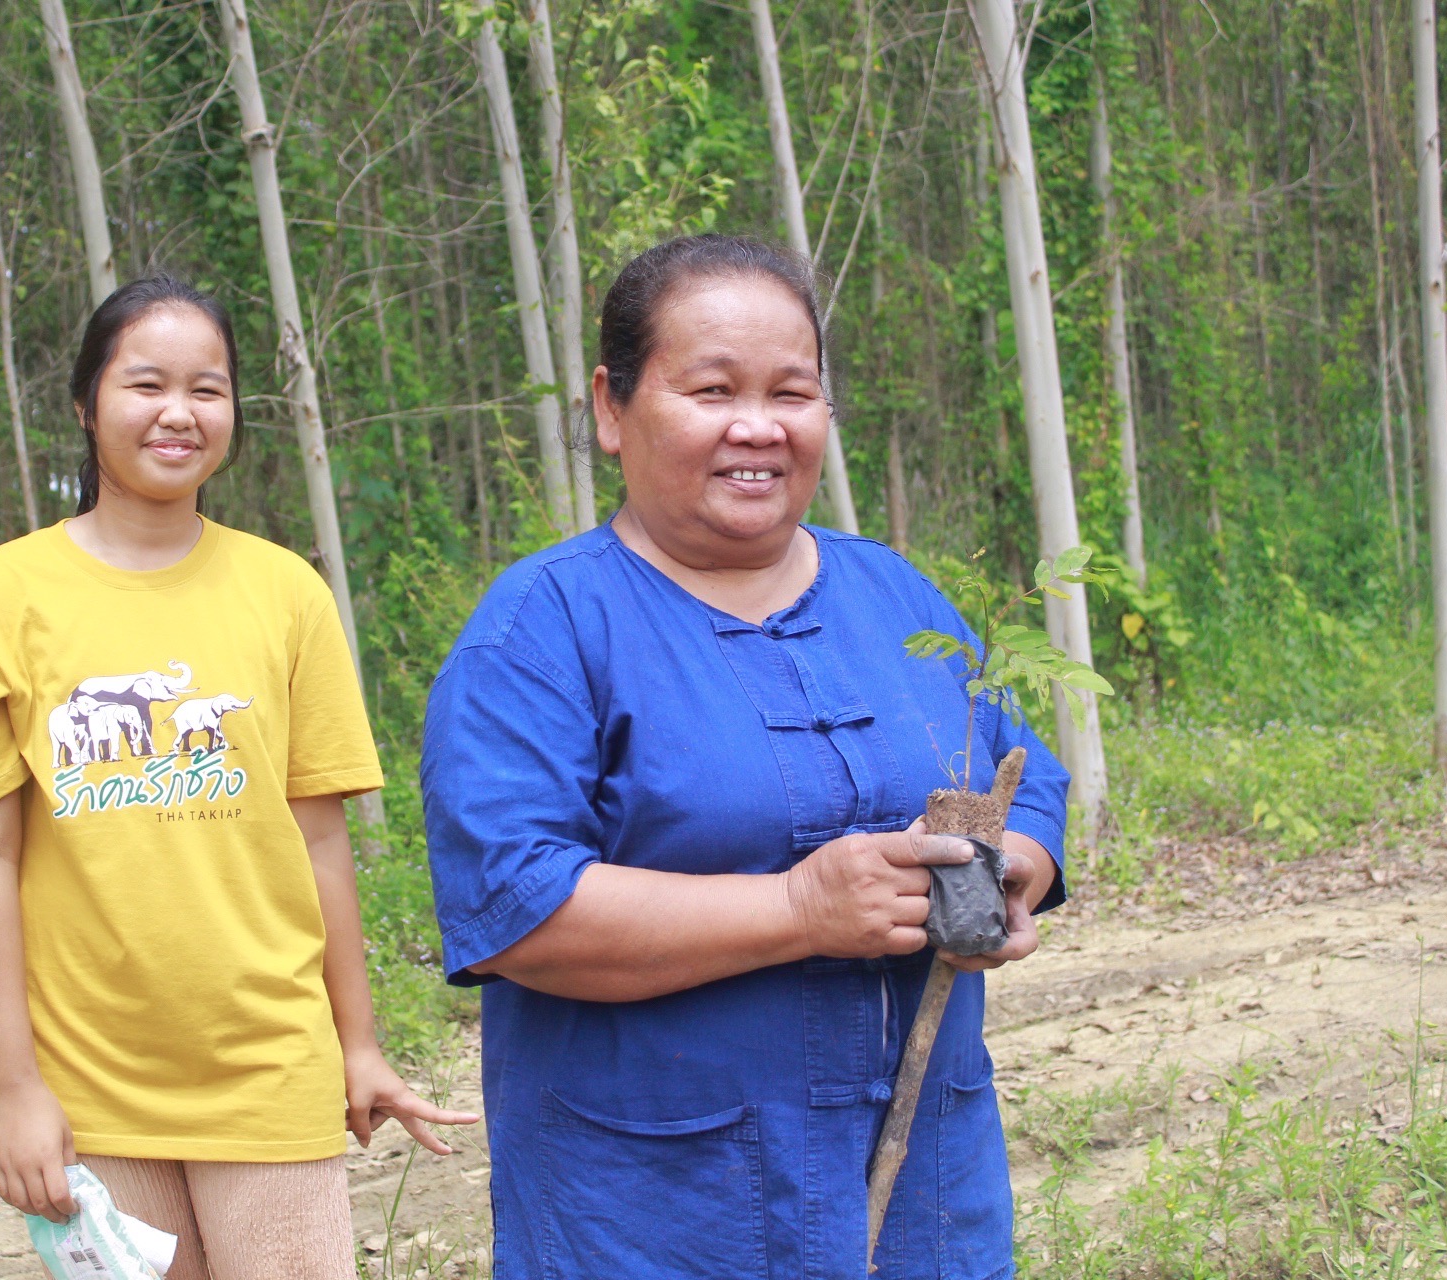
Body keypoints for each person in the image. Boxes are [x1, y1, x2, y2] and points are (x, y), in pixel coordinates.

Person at [421, 235, 1068, 1280]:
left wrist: (1018, 865)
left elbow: (1019, 772)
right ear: (610, 407)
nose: (758, 426)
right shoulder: (542, 633)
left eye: (793, 391)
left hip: (921, 1203)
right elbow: (517, 910)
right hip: (653, 1212)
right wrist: (798, 912)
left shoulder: (900, 601)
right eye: (712, 389)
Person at [0, 274, 475, 1280]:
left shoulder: (285, 593)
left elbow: (319, 838)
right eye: (146, 384)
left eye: (208, 389)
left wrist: (358, 1042)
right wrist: (16, 1089)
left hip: (266, 1055)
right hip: (88, 1074)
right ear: (87, 405)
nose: (179, 412)